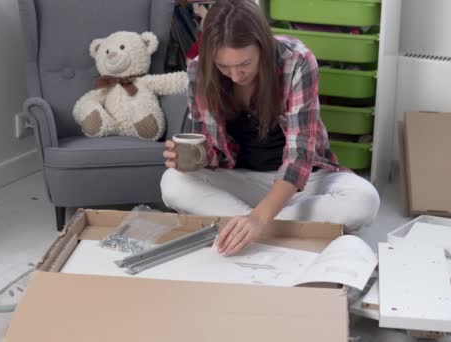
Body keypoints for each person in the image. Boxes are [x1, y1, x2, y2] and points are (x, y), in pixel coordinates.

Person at [161, 0, 379, 256]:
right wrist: (192, 158)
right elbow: (214, 149)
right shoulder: (200, 69)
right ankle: (270, 229)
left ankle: (249, 227)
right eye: (223, 66)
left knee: (364, 200)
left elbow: (299, 159)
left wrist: (259, 218)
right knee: (173, 182)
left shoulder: (296, 60)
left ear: (262, 48)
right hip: (242, 177)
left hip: (305, 180)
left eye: (244, 64)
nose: (235, 76)